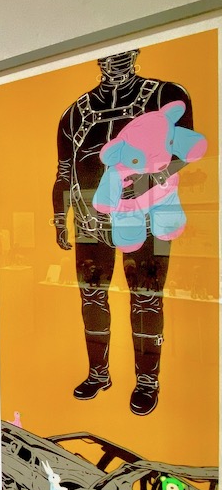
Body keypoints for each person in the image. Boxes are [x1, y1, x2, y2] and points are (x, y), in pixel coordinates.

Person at [52, 48, 199, 416]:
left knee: (146, 298)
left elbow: (186, 151)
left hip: (146, 218)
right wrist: (59, 217)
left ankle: (147, 381)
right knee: (91, 298)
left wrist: (152, 179)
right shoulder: (74, 113)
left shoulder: (165, 95)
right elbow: (64, 172)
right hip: (90, 220)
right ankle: (98, 373)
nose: (115, 62)